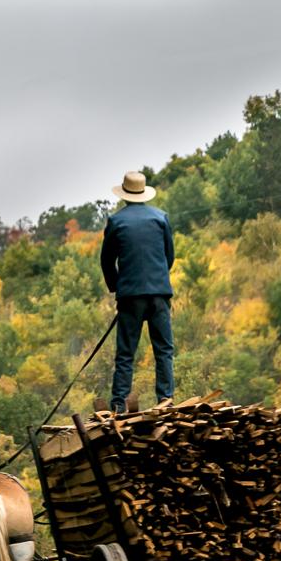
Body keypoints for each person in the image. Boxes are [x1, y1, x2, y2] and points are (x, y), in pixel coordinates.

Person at [99, 170, 176, 413]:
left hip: (130, 296)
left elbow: (106, 261)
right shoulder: (161, 218)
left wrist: (117, 286)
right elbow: (168, 256)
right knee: (163, 349)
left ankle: (119, 405)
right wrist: (158, 279)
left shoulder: (116, 221)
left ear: (124, 195)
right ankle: (165, 399)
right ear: (144, 194)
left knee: (125, 354)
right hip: (159, 294)